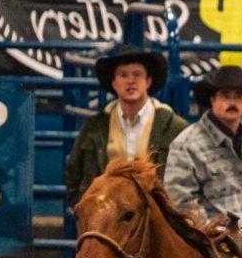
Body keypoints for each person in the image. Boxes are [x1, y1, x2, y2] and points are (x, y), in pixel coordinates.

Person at [64, 45, 188, 205]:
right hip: (106, 217)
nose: (130, 81)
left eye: (137, 74)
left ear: (148, 81)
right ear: (114, 83)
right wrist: (88, 209)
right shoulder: (95, 125)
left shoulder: (174, 127)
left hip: (156, 218)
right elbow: (74, 173)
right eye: (123, 75)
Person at [164, 66, 242, 224]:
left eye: (239, 96)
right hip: (214, 244)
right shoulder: (186, 145)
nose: (232, 102)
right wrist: (215, 237)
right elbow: (181, 205)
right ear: (212, 100)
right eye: (225, 95)